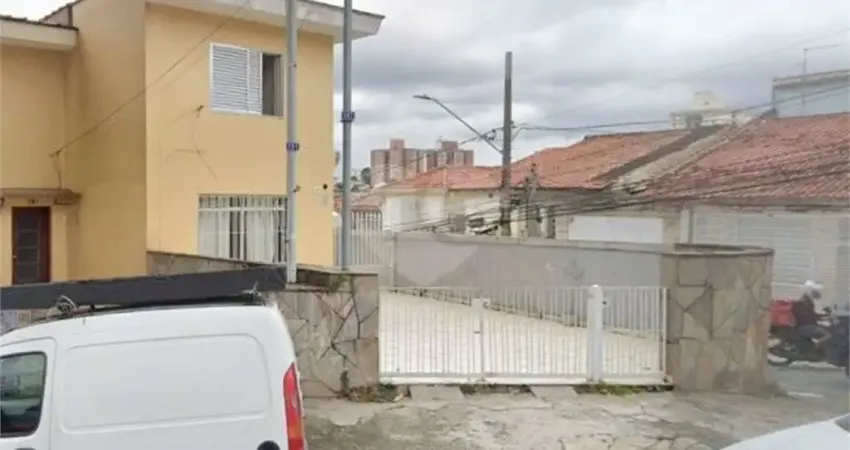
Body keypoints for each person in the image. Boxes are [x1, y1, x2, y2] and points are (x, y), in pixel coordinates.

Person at [791, 280, 830, 350]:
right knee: (828, 335)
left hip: (806, 325)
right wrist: (821, 317)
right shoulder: (803, 302)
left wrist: (823, 317)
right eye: (815, 291)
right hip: (805, 327)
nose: (817, 293)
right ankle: (816, 348)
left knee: (827, 328)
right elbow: (808, 316)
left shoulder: (807, 301)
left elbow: (811, 315)